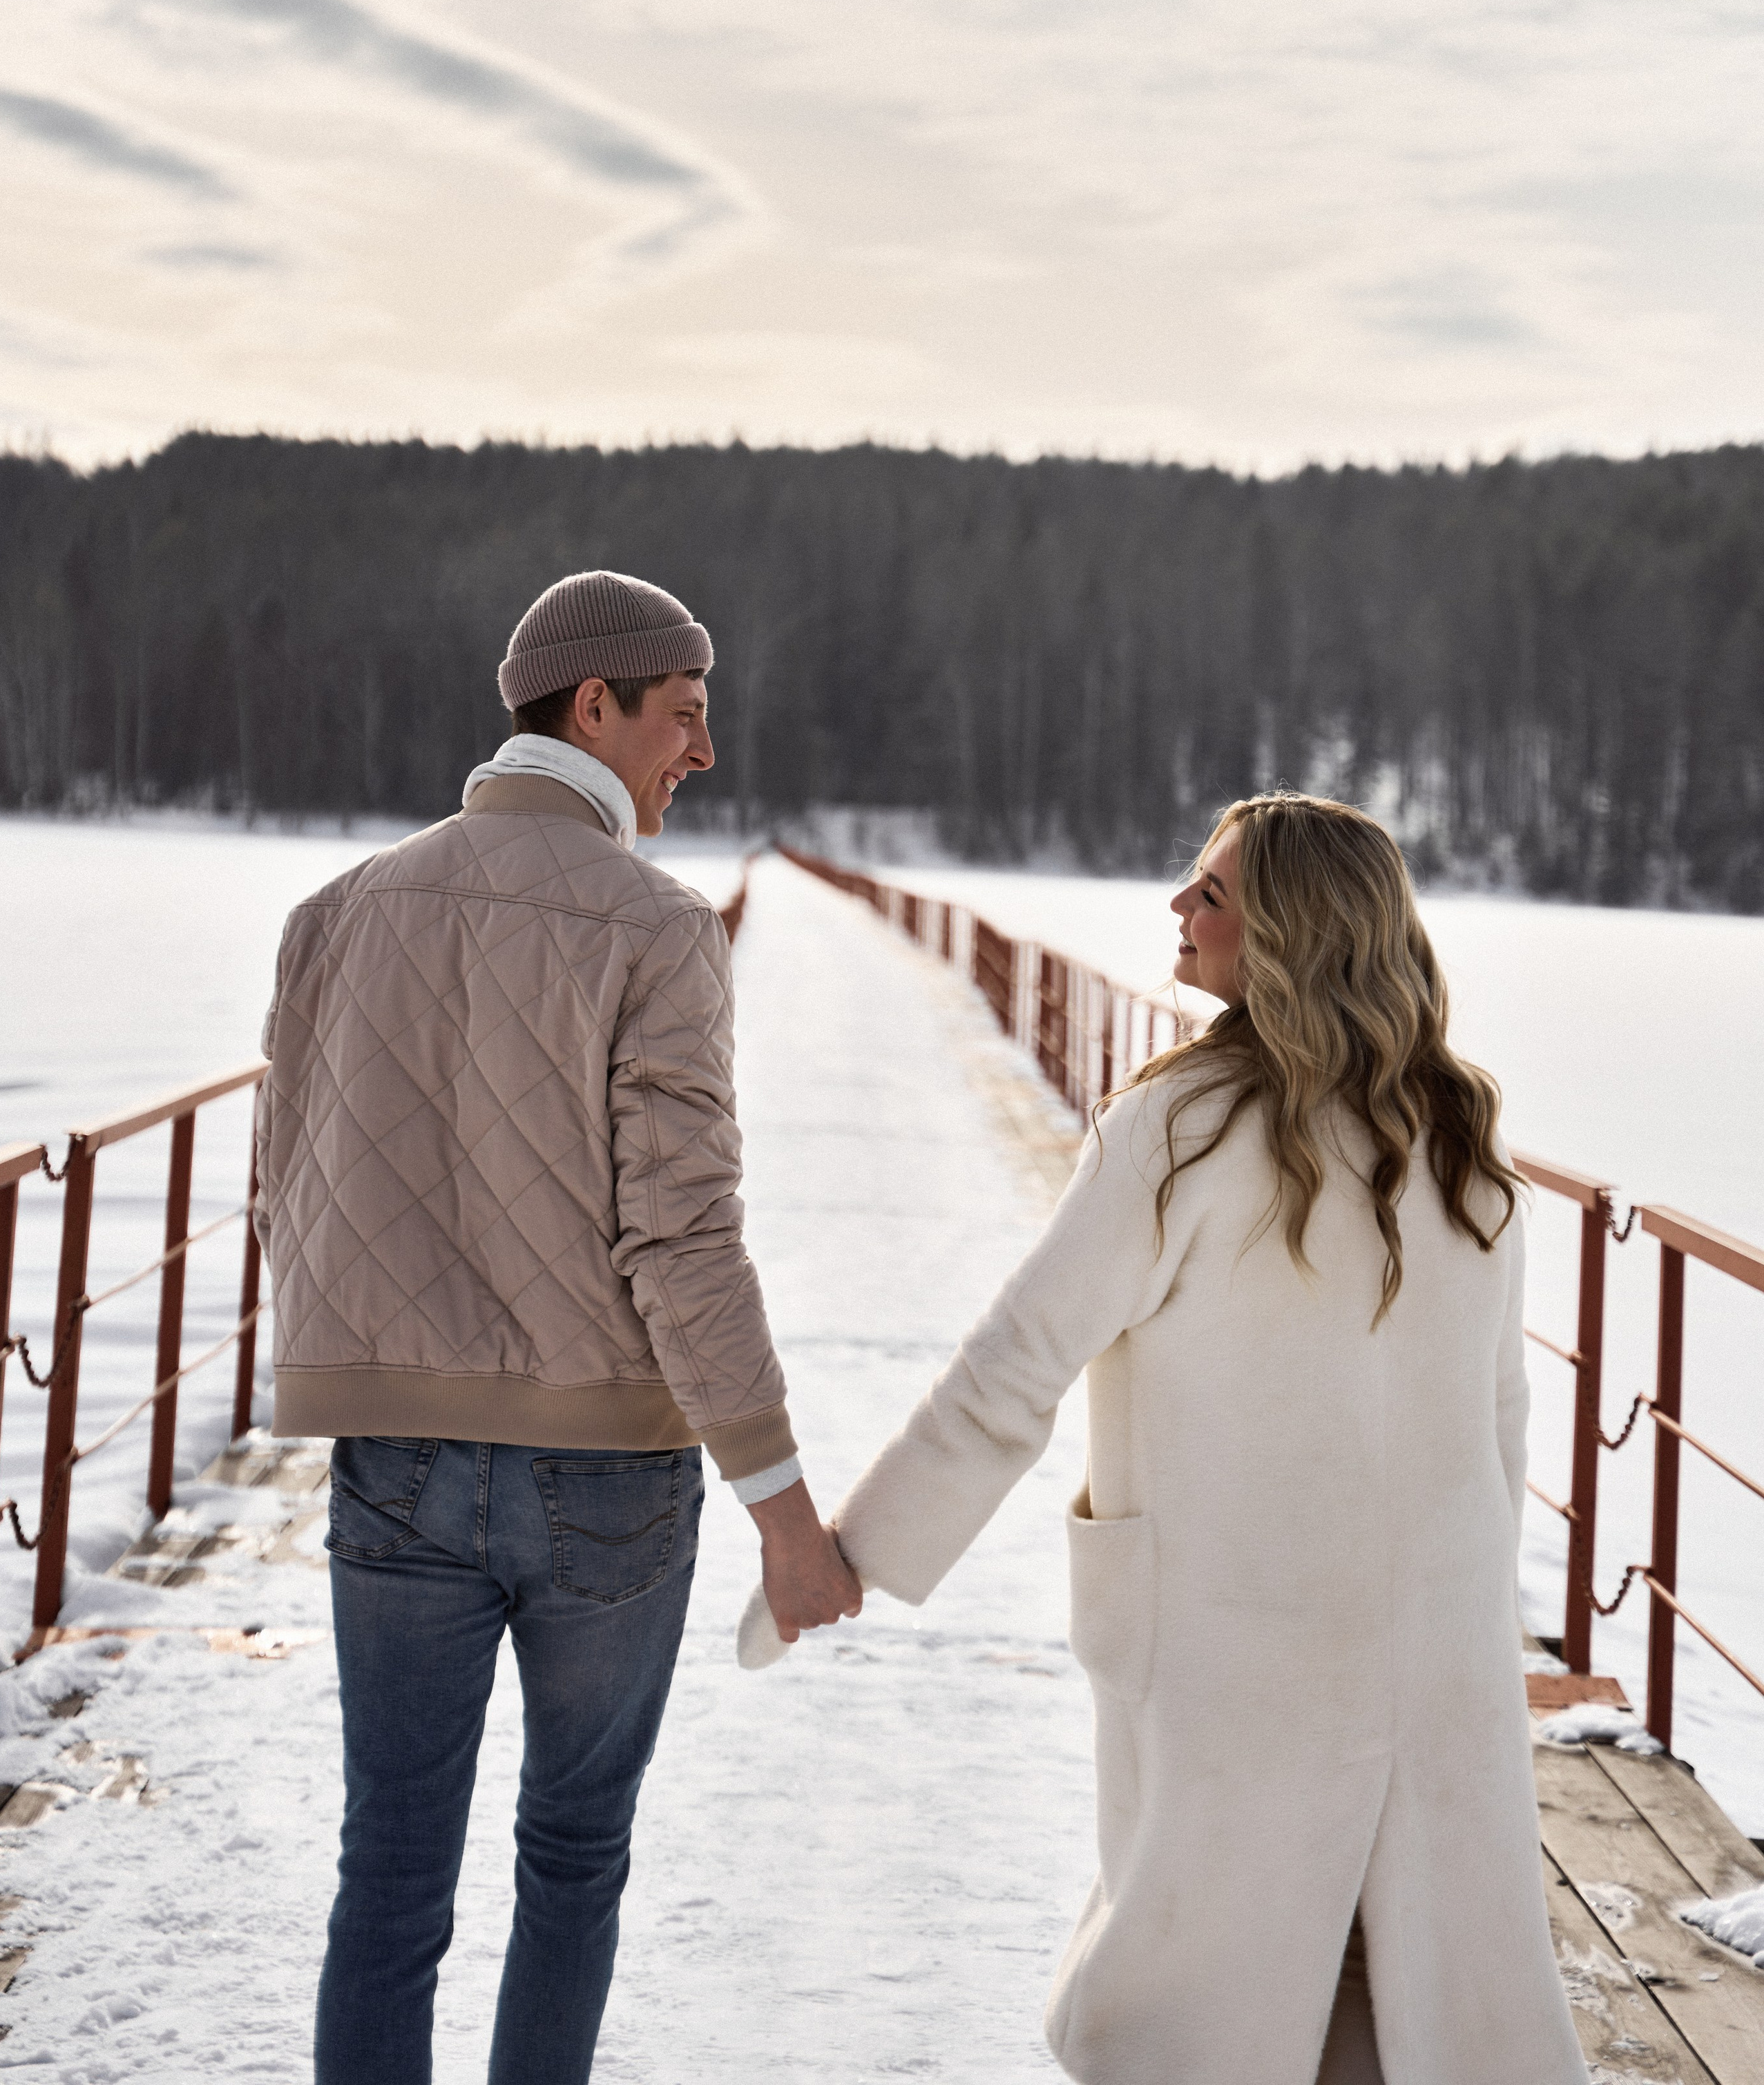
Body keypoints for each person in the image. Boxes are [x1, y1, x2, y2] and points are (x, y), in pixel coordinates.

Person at [822, 793, 1589, 2085]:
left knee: (1212, 1985)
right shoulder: (1461, 1135)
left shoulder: (1179, 1131)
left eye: (1214, 891)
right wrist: (1479, 1609)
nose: (1179, 904)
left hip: (1242, 1644)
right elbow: (1500, 1423)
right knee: (1414, 1990)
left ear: (1295, 930)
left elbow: (1019, 1358)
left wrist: (856, 1549)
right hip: (1437, 1638)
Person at [254, 569, 861, 2085]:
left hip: (395, 1465)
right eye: (684, 715)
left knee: (388, 1867)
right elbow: (682, 1236)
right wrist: (784, 1510)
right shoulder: (659, 929)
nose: (702, 751)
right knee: (573, 1859)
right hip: (607, 1479)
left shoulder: (337, 913)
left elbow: (288, 1187)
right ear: (595, 705)